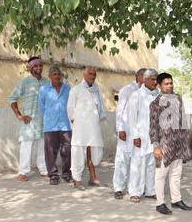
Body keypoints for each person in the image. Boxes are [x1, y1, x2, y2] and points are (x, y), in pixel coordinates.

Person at [149, 72, 192, 215]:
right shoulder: (155, 104)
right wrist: (156, 146)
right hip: (164, 144)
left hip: (178, 143)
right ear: (159, 86)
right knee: (161, 174)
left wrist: (185, 138)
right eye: (166, 84)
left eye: (171, 83)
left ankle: (176, 200)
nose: (170, 86)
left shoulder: (178, 99)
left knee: (176, 173)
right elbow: (153, 126)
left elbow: (183, 119)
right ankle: (160, 203)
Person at [8, 56, 50, 181]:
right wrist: (19, 115)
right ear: (30, 68)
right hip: (29, 121)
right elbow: (12, 99)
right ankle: (23, 172)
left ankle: (43, 169)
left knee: (43, 146)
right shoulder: (24, 82)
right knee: (26, 146)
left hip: (44, 121)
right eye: (36, 66)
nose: (39, 68)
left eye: (40, 65)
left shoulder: (47, 82)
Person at [67, 67, 106, 190]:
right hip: (80, 128)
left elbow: (99, 107)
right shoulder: (76, 89)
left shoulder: (96, 89)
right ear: (84, 74)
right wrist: (76, 125)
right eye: (90, 73)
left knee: (93, 151)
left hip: (93, 126)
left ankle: (93, 178)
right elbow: (70, 109)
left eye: (94, 74)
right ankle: (77, 180)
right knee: (78, 153)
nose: (92, 76)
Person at [112, 68, 146, 199]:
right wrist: (120, 128)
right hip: (126, 131)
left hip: (140, 133)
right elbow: (120, 110)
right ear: (138, 76)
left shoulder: (148, 93)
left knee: (137, 163)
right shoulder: (127, 90)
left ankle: (135, 191)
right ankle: (118, 188)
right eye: (144, 75)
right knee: (122, 160)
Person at [127, 69, 159, 203]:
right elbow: (132, 117)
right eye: (152, 79)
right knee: (138, 165)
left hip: (154, 137)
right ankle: (135, 192)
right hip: (140, 137)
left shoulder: (158, 95)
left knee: (152, 164)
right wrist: (135, 136)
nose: (155, 82)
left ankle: (150, 191)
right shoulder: (137, 95)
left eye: (156, 79)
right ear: (145, 80)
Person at [38, 66, 73, 185]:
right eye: (54, 74)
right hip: (50, 125)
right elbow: (42, 106)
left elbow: (72, 105)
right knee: (50, 152)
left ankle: (67, 174)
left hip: (66, 125)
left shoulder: (68, 88)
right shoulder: (43, 89)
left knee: (67, 150)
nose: (57, 76)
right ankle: (53, 175)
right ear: (49, 76)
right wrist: (49, 116)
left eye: (59, 74)